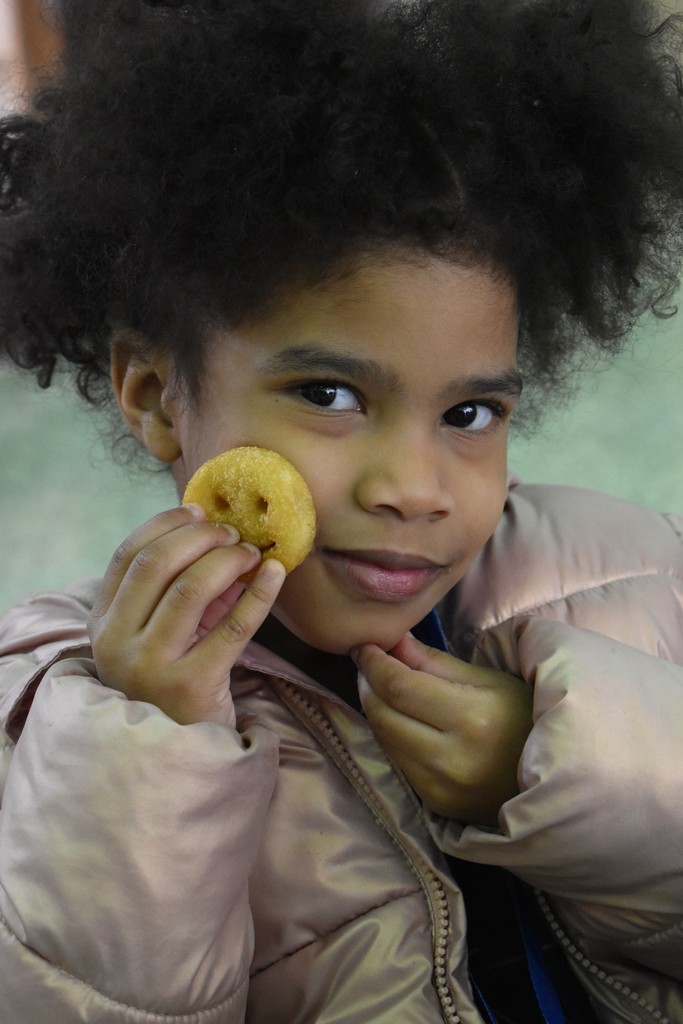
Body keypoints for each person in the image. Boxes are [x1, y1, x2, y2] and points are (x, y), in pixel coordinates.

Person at [0, 0, 682, 1021]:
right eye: (328, 394)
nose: (411, 485)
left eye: (468, 411)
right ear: (150, 394)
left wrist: (560, 773)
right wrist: (144, 750)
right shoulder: (47, 704)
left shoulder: (629, 574)